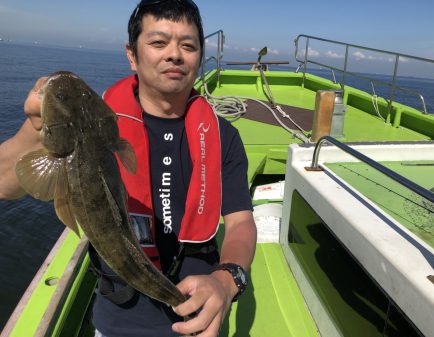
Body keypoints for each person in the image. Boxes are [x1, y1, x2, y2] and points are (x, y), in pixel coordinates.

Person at [0, 0, 257, 336]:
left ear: (199, 57)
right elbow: (5, 185)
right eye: (158, 42)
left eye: (188, 45)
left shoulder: (224, 136)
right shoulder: (98, 125)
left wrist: (227, 280)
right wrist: (35, 126)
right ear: (132, 54)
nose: (175, 54)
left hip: (202, 315)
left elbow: (240, 223)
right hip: (120, 318)